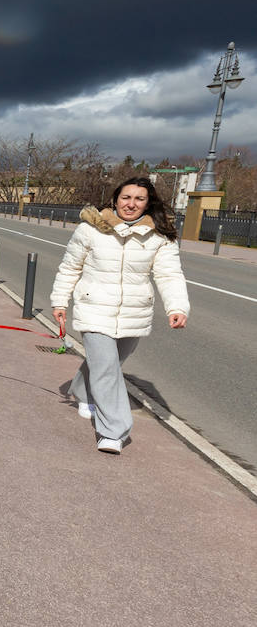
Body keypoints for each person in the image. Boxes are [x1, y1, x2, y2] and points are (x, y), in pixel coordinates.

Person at [49, 177, 189, 454]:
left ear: (148, 204)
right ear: (115, 199)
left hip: (134, 312)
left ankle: (81, 390)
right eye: (126, 197)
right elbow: (70, 268)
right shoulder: (89, 229)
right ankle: (113, 430)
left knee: (109, 363)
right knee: (107, 369)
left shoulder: (159, 235)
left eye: (139, 199)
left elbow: (169, 274)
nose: (131, 204)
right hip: (94, 307)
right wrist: (59, 302)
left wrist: (177, 307)